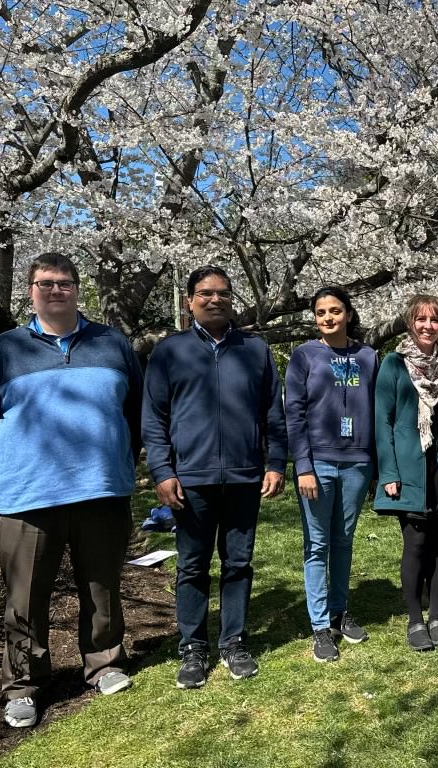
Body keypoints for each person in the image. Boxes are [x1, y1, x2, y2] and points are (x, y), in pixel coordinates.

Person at [0, 253, 142, 728]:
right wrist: (3, 476)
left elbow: (135, 412)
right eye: (46, 283)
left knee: (101, 587)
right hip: (29, 497)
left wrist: (120, 459)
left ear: (78, 289)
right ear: (30, 291)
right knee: (25, 597)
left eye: (65, 283)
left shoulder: (112, 343)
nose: (56, 291)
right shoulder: (3, 350)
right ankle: (23, 684)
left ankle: (104, 662)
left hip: (101, 491)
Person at [142, 265, 287, 689]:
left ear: (231, 299)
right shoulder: (169, 352)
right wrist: (162, 471)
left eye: (223, 293)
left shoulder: (255, 350)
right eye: (205, 293)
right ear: (190, 301)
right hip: (191, 479)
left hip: (245, 477)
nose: (215, 299)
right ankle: (192, 647)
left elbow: (273, 414)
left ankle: (234, 641)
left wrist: (276, 462)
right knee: (192, 564)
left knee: (239, 563)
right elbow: (154, 418)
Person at [374, 295, 438, 652]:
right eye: (420, 320)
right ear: (410, 323)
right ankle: (415, 620)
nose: (427, 326)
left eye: (434, 320)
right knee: (416, 542)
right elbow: (382, 421)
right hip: (409, 465)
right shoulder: (393, 365)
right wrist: (388, 471)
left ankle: (437, 617)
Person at [286, 287, 378, 663]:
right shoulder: (305, 356)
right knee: (318, 545)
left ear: (348, 313)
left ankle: (340, 612)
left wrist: (374, 465)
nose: (328, 318)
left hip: (357, 462)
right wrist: (303, 466)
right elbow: (294, 412)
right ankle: (320, 626)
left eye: (335, 310)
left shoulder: (369, 357)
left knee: (343, 540)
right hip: (318, 464)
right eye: (321, 312)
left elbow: (377, 408)